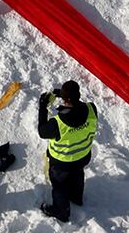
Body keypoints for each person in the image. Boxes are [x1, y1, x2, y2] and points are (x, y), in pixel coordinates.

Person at [36, 80, 98, 222]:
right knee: (77, 176)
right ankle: (76, 198)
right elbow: (78, 110)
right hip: (82, 157)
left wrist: (43, 108)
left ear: (65, 99)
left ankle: (61, 212)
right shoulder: (92, 109)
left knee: (59, 186)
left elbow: (42, 131)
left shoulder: (57, 123)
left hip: (61, 163)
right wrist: (66, 98)